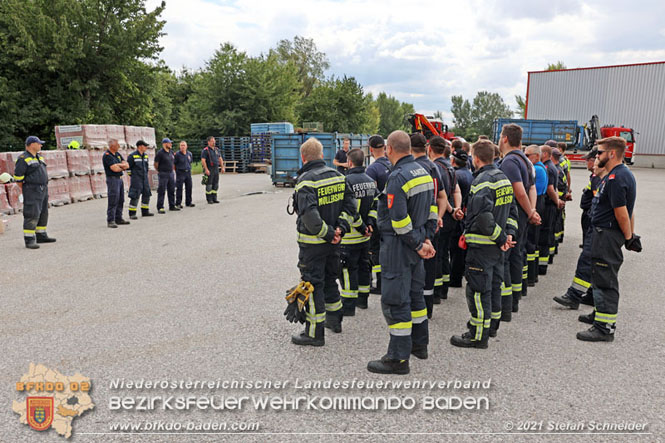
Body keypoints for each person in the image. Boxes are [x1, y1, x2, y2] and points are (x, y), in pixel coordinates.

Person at [367, 130, 436, 375]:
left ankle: (397, 358)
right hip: (417, 243)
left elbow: (398, 221)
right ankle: (419, 344)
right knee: (416, 297)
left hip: (400, 247)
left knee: (395, 300)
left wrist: (418, 243)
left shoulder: (397, 177)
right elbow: (432, 209)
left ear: (390, 149)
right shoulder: (424, 172)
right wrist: (427, 238)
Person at [450, 140, 516, 349]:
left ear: (476, 158)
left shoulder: (482, 181)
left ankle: (477, 335)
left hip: (483, 246)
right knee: (494, 288)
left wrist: (501, 237)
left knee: (478, 291)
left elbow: (483, 216)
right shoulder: (503, 178)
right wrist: (508, 235)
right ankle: (491, 327)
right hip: (497, 248)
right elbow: (511, 212)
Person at [291, 137, 356, 347]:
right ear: (322, 155)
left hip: (313, 246)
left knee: (313, 284)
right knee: (330, 279)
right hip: (334, 243)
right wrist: (340, 229)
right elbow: (350, 207)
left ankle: (313, 333)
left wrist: (329, 233)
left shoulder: (306, 181)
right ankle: (335, 321)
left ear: (303, 158)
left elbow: (310, 218)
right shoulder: (339, 176)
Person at [577, 137, 639, 342]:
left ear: (612, 154)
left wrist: (629, 237)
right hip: (603, 233)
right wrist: (629, 234)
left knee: (605, 280)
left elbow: (622, 212)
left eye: (600, 152)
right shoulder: (615, 174)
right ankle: (599, 315)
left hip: (607, 235)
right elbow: (628, 210)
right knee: (599, 276)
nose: (597, 156)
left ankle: (604, 328)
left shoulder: (616, 178)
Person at [497, 124, 539, 324]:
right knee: (517, 255)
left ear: (505, 139)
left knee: (507, 258)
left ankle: (507, 305)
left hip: (512, 216)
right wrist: (532, 211)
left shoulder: (509, 162)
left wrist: (530, 212)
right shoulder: (524, 160)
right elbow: (531, 188)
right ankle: (514, 298)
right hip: (523, 215)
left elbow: (519, 191)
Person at [554, 150, 605, 310]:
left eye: (590, 160)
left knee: (587, 260)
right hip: (593, 222)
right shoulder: (596, 177)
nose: (588, 163)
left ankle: (574, 296)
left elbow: (599, 202)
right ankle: (591, 295)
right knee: (595, 262)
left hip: (596, 225)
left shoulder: (599, 178)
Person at [411, 133, 445, 318]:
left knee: (414, 269)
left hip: (415, 229)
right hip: (432, 227)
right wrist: (438, 218)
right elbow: (441, 196)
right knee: (430, 267)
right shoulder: (434, 167)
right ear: (426, 147)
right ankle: (427, 309)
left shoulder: (410, 168)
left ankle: (415, 310)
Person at [339, 148, 377, 314]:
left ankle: (348, 305)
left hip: (350, 237)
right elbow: (376, 205)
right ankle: (363, 300)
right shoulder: (370, 181)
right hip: (366, 237)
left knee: (348, 270)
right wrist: (370, 224)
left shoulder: (345, 181)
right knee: (363, 268)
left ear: (349, 162)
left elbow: (350, 210)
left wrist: (362, 227)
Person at [429, 136, 463, 303]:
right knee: (445, 252)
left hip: (442, 215)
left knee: (437, 254)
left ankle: (435, 292)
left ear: (430, 149)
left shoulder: (435, 168)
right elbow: (456, 191)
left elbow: (438, 196)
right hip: (451, 216)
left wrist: (450, 210)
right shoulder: (450, 167)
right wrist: (457, 208)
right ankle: (444, 288)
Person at [13, 136, 56, 248]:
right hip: (32, 189)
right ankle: (29, 239)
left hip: (42, 188)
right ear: (32, 144)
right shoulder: (23, 159)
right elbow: (18, 178)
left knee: (43, 212)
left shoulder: (39, 157)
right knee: (32, 213)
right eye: (39, 143)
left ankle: (41, 235)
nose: (41, 145)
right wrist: (28, 189)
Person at [365, 135, 392, 295]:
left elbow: (370, 196)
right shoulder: (393, 165)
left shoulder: (372, 169)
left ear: (370, 149)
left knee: (375, 251)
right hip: (392, 217)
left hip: (378, 217)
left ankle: (379, 283)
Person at [449, 149, 473, 288]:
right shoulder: (469, 174)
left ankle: (455, 279)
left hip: (457, 214)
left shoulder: (456, 175)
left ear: (453, 161)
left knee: (455, 249)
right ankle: (458, 274)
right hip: (465, 214)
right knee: (460, 249)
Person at [538, 145, 563, 274]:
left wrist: (556, 201)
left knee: (544, 235)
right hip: (549, 205)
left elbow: (550, 188)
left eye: (540, 152)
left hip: (548, 206)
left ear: (546, 154)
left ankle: (542, 267)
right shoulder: (550, 166)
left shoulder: (548, 167)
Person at [525, 145, 548, 286]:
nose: (525, 158)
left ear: (537, 156)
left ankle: (530, 277)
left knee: (530, 242)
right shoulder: (540, 168)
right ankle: (533, 276)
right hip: (539, 202)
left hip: (536, 203)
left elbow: (533, 190)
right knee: (533, 241)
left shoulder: (537, 169)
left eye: (528, 155)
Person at [103, 139, 130, 228]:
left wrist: (119, 166)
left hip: (119, 179)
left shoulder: (117, 154)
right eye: (117, 145)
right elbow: (114, 169)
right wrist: (121, 166)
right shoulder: (107, 156)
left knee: (121, 199)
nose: (119, 146)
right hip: (112, 179)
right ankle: (111, 220)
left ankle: (119, 218)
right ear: (112, 146)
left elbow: (127, 165)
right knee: (113, 199)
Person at [127, 140, 154, 219]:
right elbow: (128, 169)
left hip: (144, 178)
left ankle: (145, 211)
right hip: (136, 179)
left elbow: (146, 167)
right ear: (140, 146)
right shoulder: (132, 156)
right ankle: (132, 213)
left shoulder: (145, 156)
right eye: (145, 146)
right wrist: (134, 176)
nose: (146, 147)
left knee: (147, 194)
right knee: (135, 196)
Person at [580, 149, 602, 246]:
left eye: (587, 160)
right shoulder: (594, 176)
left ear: (593, 161)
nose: (586, 163)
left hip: (589, 212)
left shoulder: (596, 177)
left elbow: (596, 196)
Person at [154, 138, 179, 213]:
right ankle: (160, 207)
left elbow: (173, 163)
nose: (171, 144)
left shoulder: (171, 152)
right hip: (163, 173)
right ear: (165, 144)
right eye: (169, 143)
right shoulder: (160, 153)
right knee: (162, 190)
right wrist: (160, 171)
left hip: (171, 173)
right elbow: (156, 164)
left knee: (171, 190)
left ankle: (172, 205)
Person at [201, 136, 224, 204]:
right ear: (208, 142)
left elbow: (220, 159)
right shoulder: (205, 150)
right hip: (209, 168)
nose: (214, 142)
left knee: (215, 184)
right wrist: (206, 169)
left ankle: (214, 198)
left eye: (214, 141)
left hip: (216, 168)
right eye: (212, 141)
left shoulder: (217, 150)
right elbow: (203, 160)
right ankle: (209, 199)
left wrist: (222, 167)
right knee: (209, 185)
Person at [174, 140, 195, 208]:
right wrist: (176, 170)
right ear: (179, 147)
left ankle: (188, 202)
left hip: (188, 172)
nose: (182, 147)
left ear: (186, 146)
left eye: (184, 145)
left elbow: (190, 162)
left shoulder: (189, 154)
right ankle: (178, 203)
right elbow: (174, 164)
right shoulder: (177, 154)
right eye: (181, 145)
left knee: (189, 187)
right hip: (180, 172)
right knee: (179, 188)